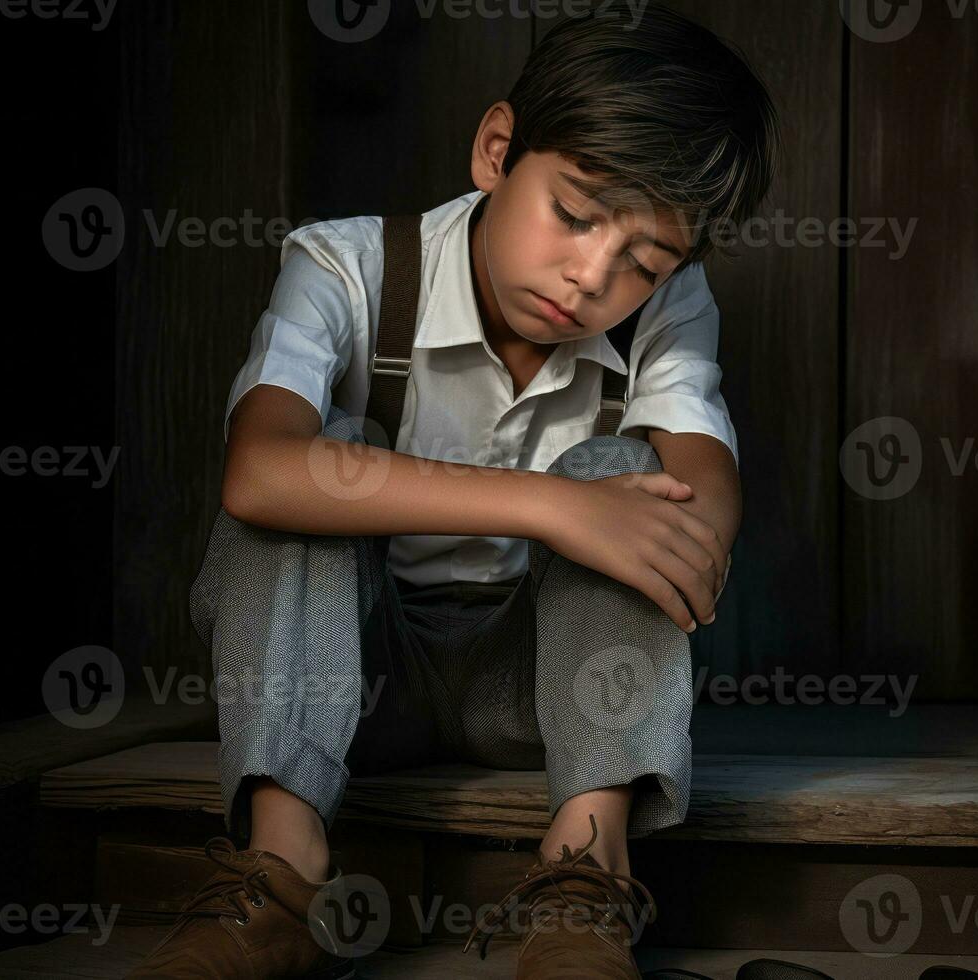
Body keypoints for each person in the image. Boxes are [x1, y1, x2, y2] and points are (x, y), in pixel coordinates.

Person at [128, 3, 777, 977]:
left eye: (642, 262)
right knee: (316, 464)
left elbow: (701, 501)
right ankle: (281, 876)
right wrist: (551, 504)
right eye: (573, 213)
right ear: (495, 149)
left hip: (539, 693)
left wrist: (634, 504)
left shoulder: (669, 311)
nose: (590, 276)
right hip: (350, 681)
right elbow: (258, 471)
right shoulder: (344, 265)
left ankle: (582, 877)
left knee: (628, 476)